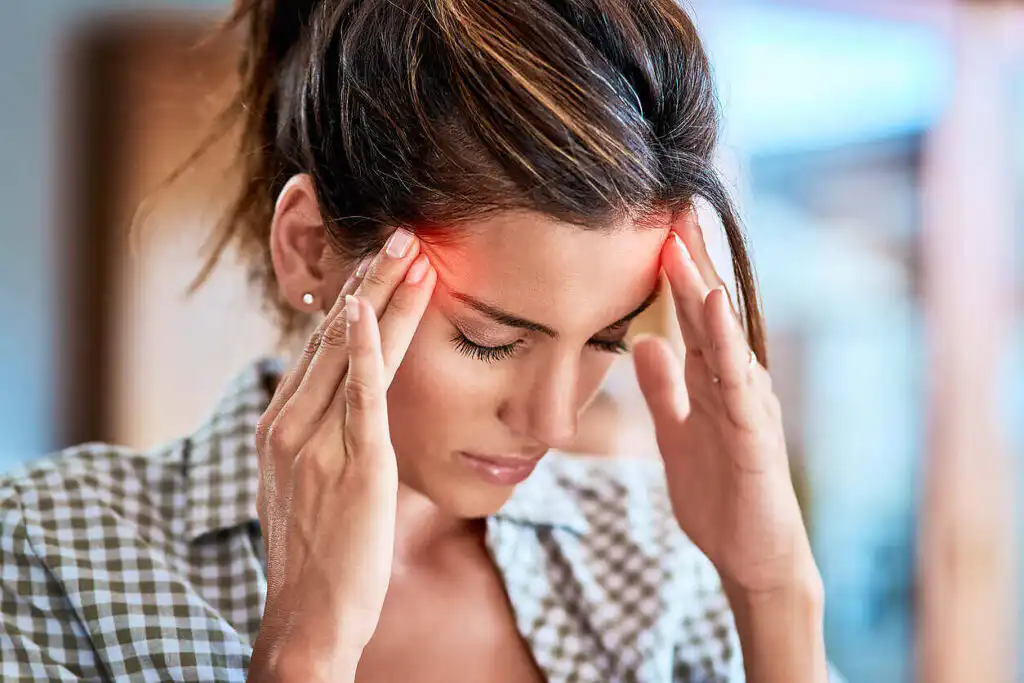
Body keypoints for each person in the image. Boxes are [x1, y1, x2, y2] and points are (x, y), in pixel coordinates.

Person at [0, 0, 847, 681]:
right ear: (309, 245)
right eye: (488, 339)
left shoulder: (661, 571)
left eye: (606, 339)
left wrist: (774, 590)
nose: (555, 424)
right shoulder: (51, 555)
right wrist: (305, 655)